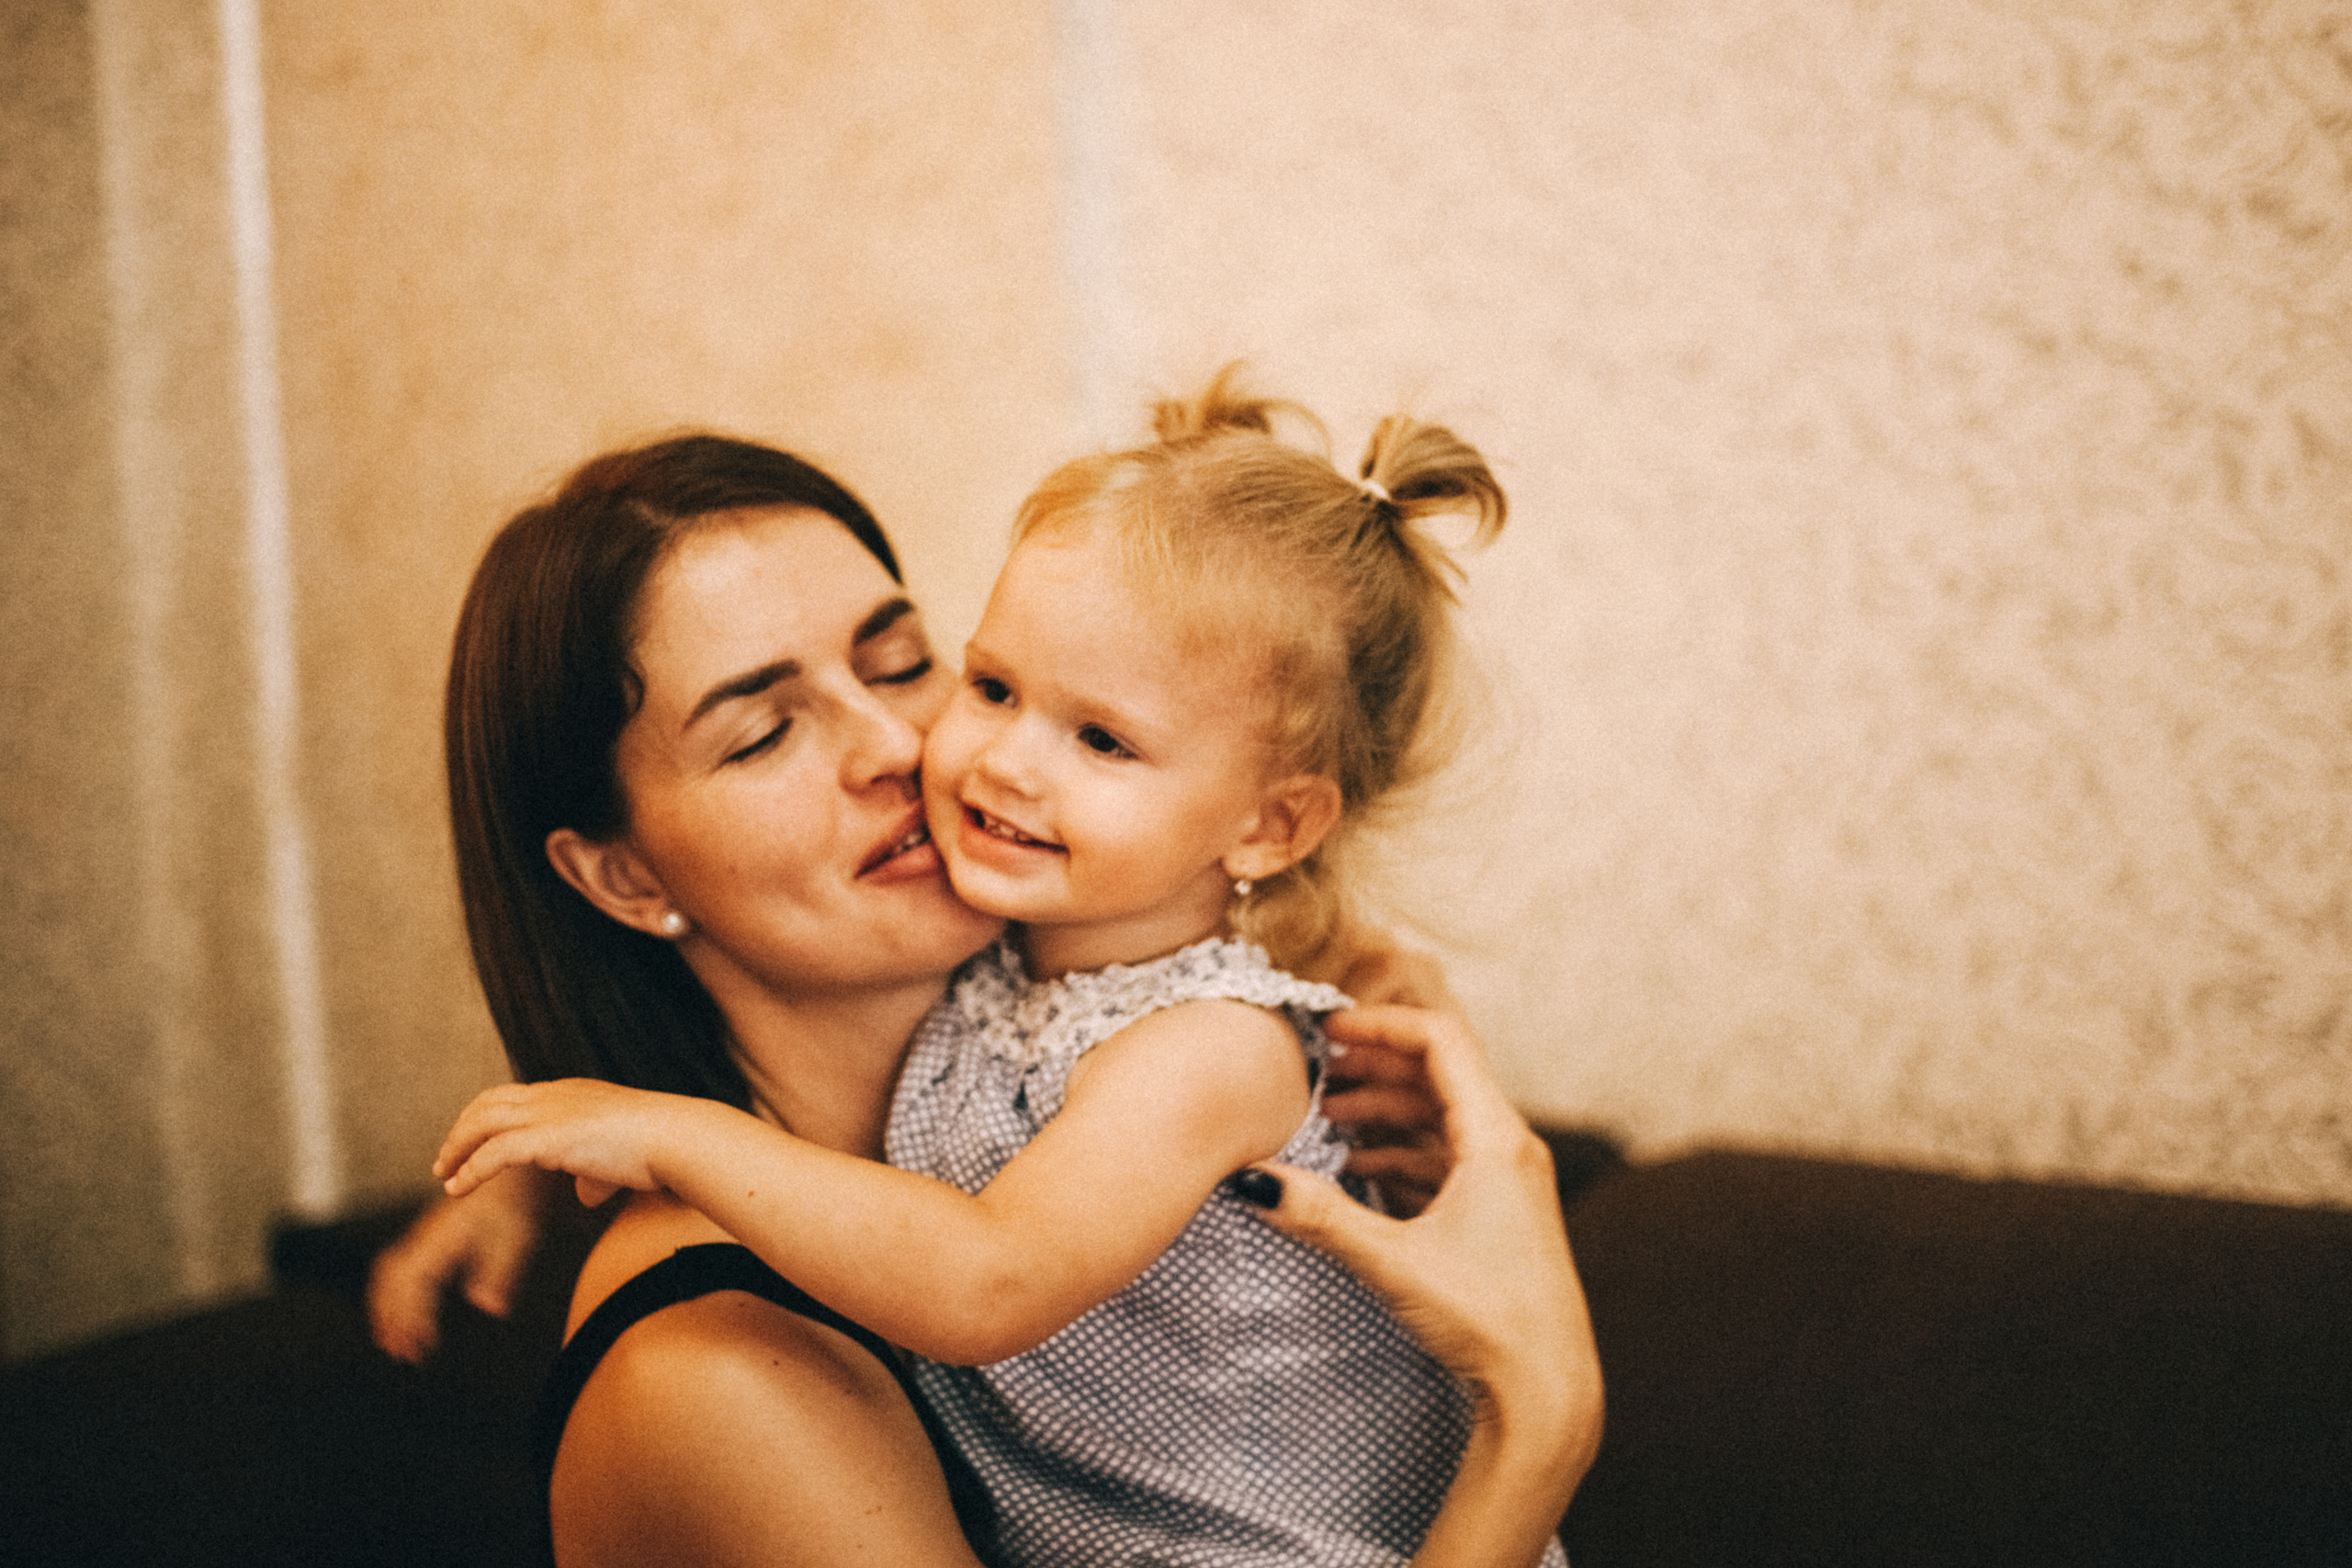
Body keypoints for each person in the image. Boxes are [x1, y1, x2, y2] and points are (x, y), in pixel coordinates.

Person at [401, 426, 1600, 1565]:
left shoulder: (1117, 1022)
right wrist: (1539, 1430)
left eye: (903, 663)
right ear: (624, 875)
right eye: (766, 732)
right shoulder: (715, 1372)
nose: (898, 746)